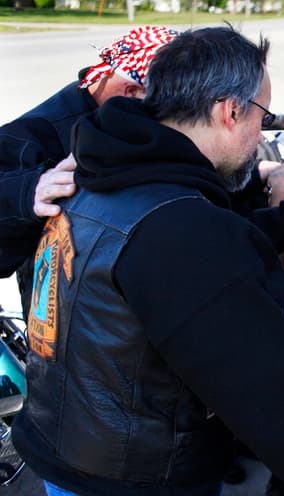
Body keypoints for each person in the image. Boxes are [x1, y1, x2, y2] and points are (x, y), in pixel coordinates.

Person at [12, 25, 284, 496]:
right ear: (231, 111)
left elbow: (187, 256)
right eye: (262, 118)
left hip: (64, 449)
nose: (260, 134)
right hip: (138, 481)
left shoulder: (95, 173)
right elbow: (275, 404)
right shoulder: (182, 229)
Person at [0, 26, 178, 319]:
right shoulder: (33, 136)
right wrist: (27, 192)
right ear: (132, 92)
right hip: (66, 327)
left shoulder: (123, 115)